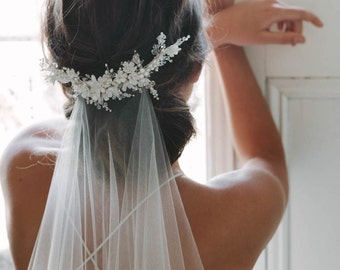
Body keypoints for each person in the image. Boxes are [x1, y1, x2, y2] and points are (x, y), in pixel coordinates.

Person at [0, 0, 322, 269]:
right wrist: (223, 41)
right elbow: (266, 158)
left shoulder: (23, 164)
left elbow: (108, 94)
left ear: (65, 74)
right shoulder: (231, 219)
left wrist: (200, 41)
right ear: (196, 67)